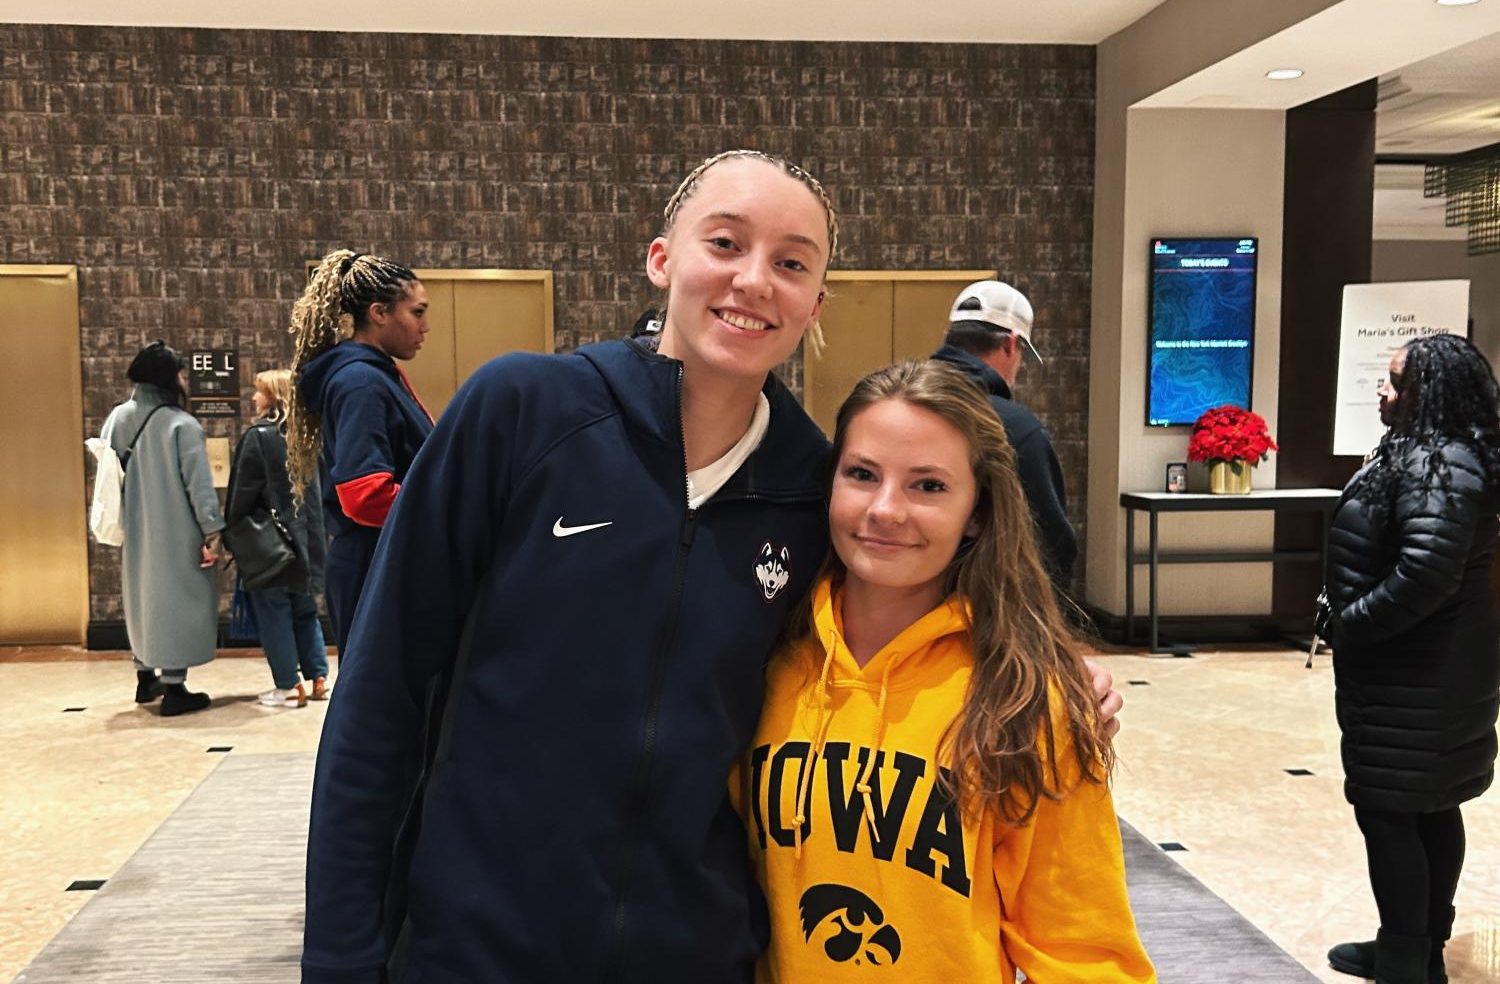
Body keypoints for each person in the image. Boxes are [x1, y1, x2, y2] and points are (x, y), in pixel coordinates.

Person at [301, 151, 1120, 983]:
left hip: (699, 953)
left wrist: (1046, 672)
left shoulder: (812, 488)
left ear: (815, 302)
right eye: (725, 243)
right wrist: (340, 957)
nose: (755, 281)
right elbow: (381, 699)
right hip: (478, 949)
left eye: (792, 263)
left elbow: (901, 612)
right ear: (663, 259)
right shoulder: (522, 412)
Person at [739, 359, 1153, 982]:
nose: (885, 509)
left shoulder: (1022, 698)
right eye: (862, 474)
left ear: (978, 512)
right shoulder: (765, 660)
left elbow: (1083, 951)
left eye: (927, 486)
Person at [1323, 333, 1500, 984]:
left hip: (1417, 674)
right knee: (1427, 804)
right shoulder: (1439, 456)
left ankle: (1407, 960)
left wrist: (1354, 624)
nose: (1382, 390)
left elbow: (1426, 574)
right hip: (1432, 672)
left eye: (1395, 382)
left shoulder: (1441, 464)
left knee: (1393, 810)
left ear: (1431, 394)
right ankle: (1415, 944)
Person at [286, 251, 433, 652]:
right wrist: (447, 506)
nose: (425, 326)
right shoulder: (361, 382)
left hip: (383, 558)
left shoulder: (370, 376)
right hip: (376, 563)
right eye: (417, 313)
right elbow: (364, 496)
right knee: (379, 703)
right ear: (379, 313)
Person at [930, 280, 1077, 594]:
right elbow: (1051, 546)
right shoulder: (1016, 429)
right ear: (1012, 344)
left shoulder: (890, 409)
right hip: (982, 614)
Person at [108, 341, 224, 716]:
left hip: (137, 528)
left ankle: (145, 677)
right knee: (180, 601)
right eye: (180, 371)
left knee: (143, 597)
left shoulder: (118, 419)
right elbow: (199, 487)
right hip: (178, 530)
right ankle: (175, 687)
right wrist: (212, 531)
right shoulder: (181, 424)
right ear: (168, 377)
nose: (184, 378)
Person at [225, 369, 329, 708]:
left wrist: (232, 532)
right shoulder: (309, 435)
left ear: (273, 396)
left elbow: (242, 494)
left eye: (259, 392)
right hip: (308, 542)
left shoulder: (259, 437)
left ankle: (287, 686)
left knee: (273, 612)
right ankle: (318, 676)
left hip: (272, 544)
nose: (254, 398)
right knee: (304, 610)